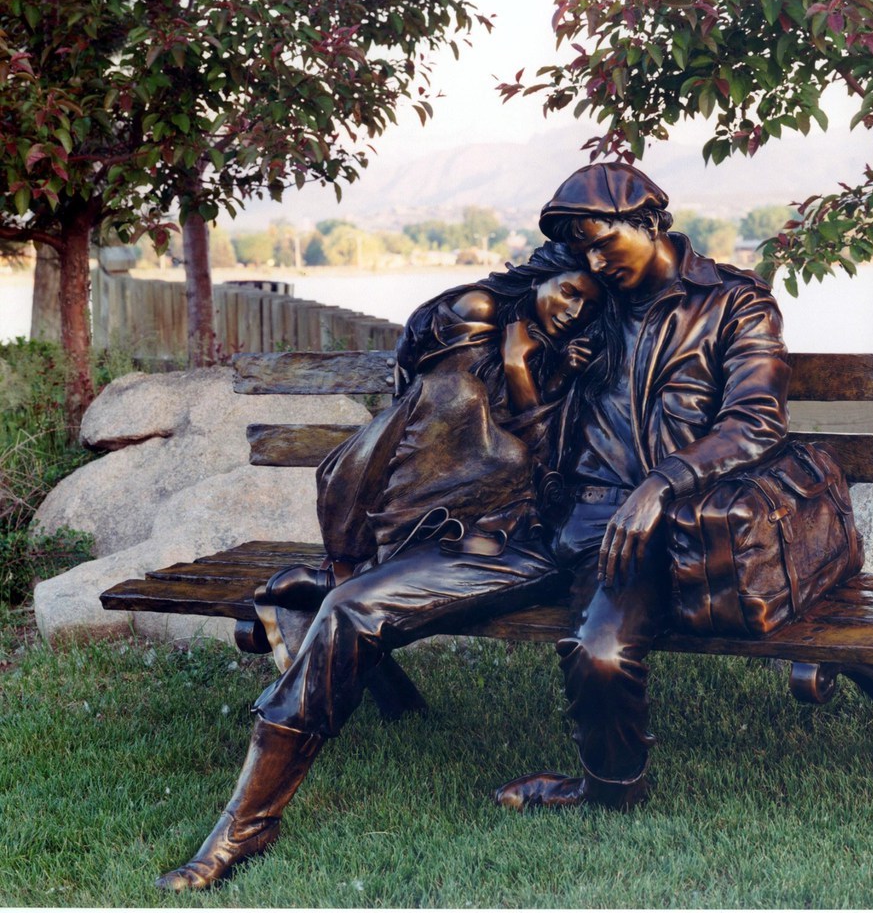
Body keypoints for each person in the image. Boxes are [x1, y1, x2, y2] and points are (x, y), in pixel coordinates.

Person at [155, 243, 608, 891]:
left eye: (590, 303)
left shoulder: (581, 354)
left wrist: (524, 369)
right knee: (352, 605)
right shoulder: (471, 319)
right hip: (439, 528)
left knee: (349, 603)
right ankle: (245, 822)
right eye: (570, 290)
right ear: (542, 274)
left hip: (530, 547)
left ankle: (342, 579)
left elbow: (550, 471)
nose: (574, 309)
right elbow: (427, 424)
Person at [492, 161, 790, 811]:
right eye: (582, 250)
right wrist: (521, 362)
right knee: (379, 591)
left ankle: (608, 789)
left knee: (599, 651)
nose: (595, 262)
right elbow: (531, 421)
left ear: (649, 221)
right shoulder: (583, 307)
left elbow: (755, 419)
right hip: (554, 519)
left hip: (660, 526)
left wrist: (660, 485)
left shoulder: (734, 302)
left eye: (605, 241)